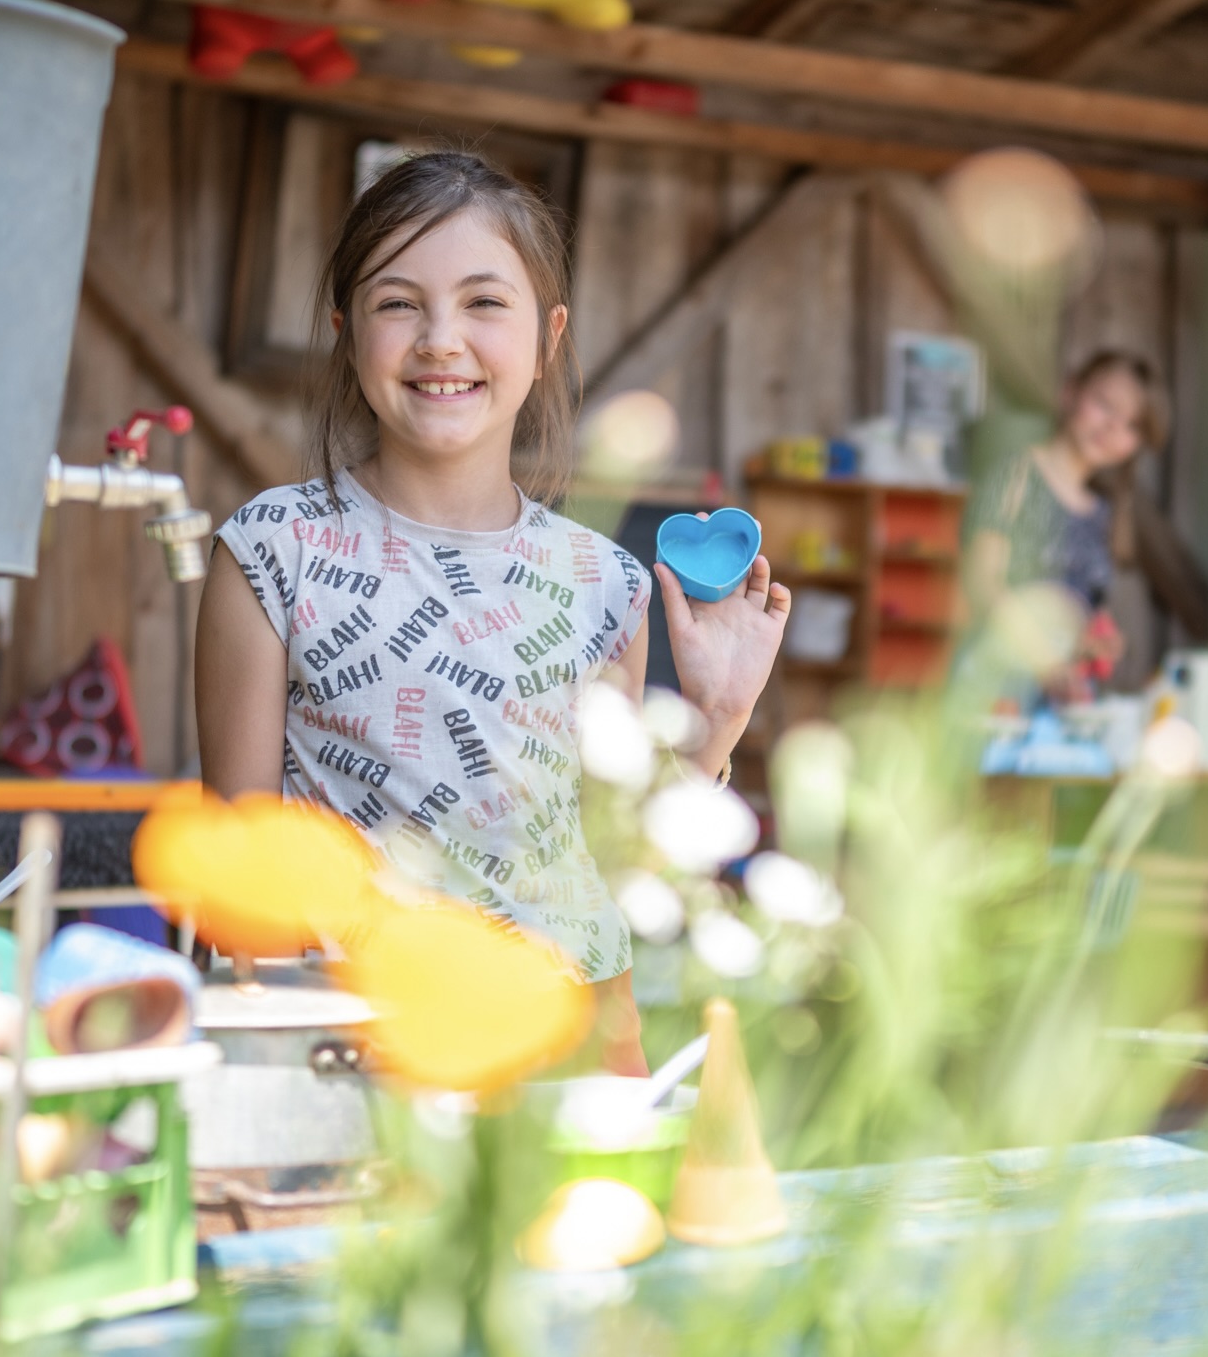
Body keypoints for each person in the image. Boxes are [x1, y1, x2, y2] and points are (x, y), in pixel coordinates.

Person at [195, 152, 790, 1075]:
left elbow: (609, 858)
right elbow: (239, 868)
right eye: (398, 303)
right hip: (351, 1046)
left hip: (574, 1040)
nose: (441, 338)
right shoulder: (274, 549)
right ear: (346, 331)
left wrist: (713, 732)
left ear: (548, 336)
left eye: (483, 302)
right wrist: (274, 1071)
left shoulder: (606, 581)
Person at [963, 350, 1167, 703]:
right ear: (1071, 392)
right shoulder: (1015, 476)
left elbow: (1075, 615)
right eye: (1105, 404)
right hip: (992, 692)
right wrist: (1043, 660)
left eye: (1132, 425)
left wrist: (1094, 641)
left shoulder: (1102, 512)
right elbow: (981, 582)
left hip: (1058, 703)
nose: (1112, 428)